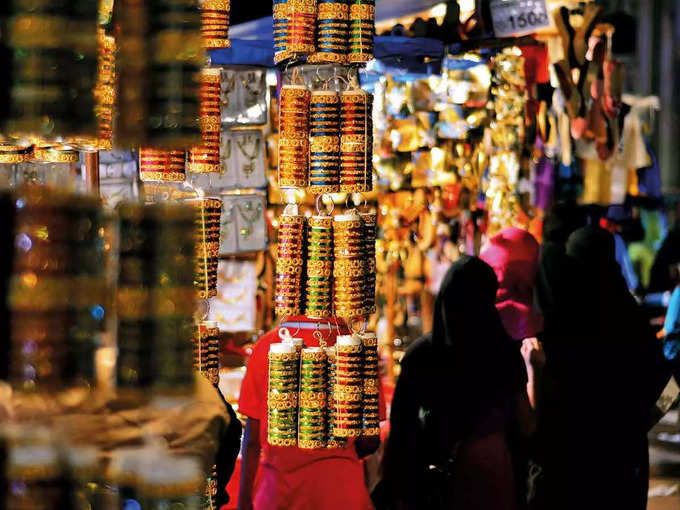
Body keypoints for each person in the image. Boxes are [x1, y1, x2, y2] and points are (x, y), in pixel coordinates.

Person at [380, 256, 540, 510]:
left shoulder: (421, 356)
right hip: (496, 485)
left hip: (436, 487)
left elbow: (402, 433)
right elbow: (526, 426)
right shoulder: (504, 353)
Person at [535, 225, 668, 510]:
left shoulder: (564, 322)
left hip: (578, 454)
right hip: (625, 453)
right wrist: (639, 423)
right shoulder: (629, 317)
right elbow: (669, 386)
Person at [237, 316, 383, 510]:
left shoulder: (267, 345)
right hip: (342, 491)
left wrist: (244, 501)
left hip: (280, 492)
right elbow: (370, 440)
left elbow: (252, 439)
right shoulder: (358, 346)